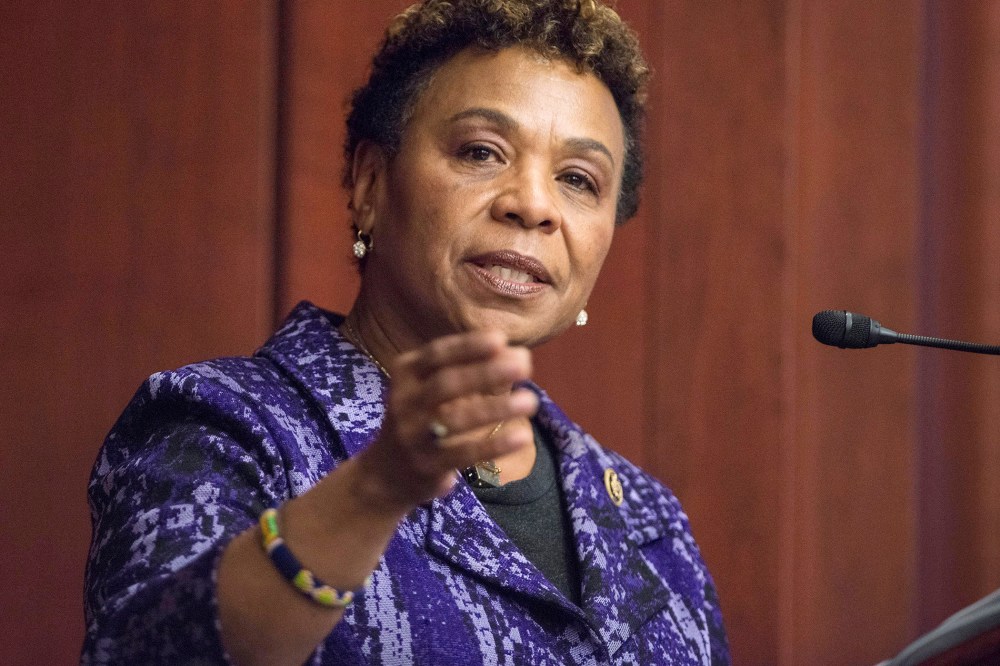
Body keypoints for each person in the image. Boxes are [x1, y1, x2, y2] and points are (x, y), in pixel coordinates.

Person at [82, 1, 730, 664]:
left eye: (577, 180)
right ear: (370, 184)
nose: (533, 204)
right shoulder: (223, 424)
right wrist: (377, 488)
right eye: (482, 152)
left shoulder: (649, 520)